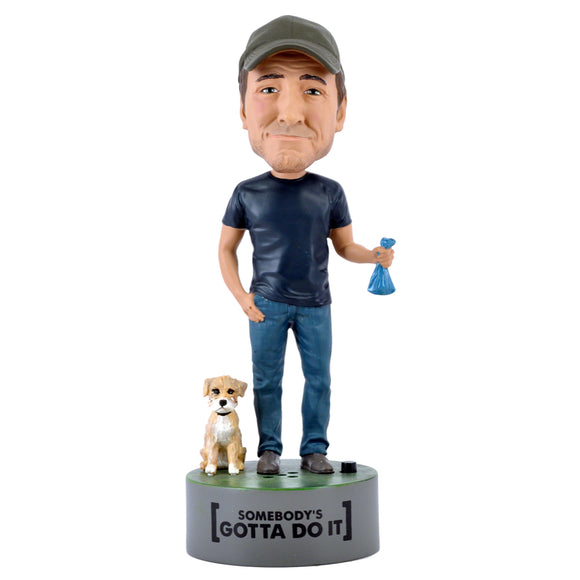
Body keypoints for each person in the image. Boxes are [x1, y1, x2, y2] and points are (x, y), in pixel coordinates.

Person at [218, 16, 394, 474]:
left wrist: (373, 256)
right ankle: (270, 450)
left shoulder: (329, 192)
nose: (291, 113)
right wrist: (241, 297)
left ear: (340, 111)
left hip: (317, 304)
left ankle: (315, 448)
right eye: (268, 88)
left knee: (319, 379)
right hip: (265, 304)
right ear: (243, 110)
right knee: (267, 380)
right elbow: (225, 249)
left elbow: (345, 246)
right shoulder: (247, 192)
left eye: (313, 89)